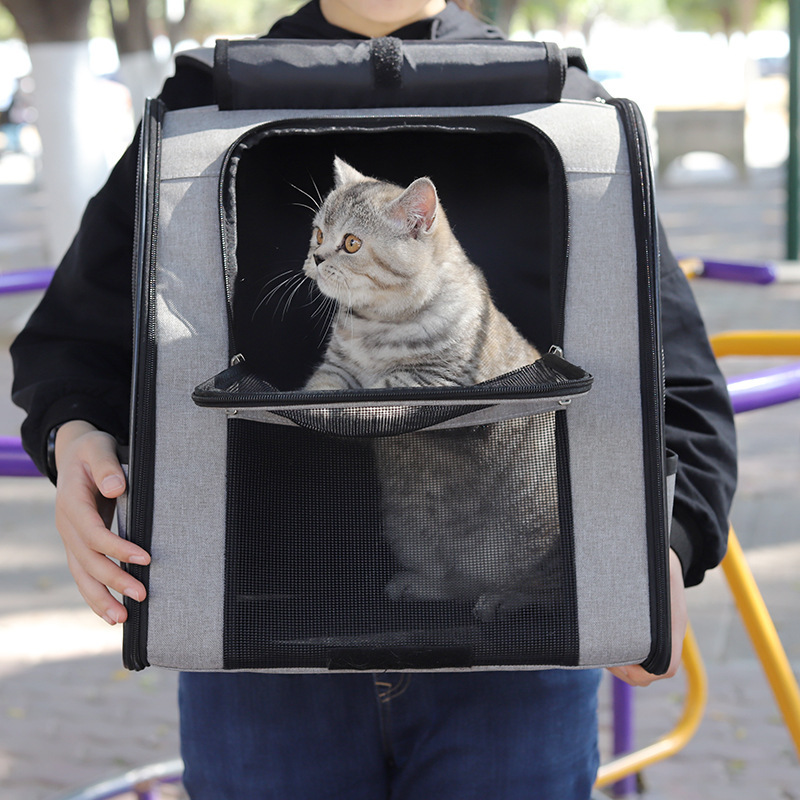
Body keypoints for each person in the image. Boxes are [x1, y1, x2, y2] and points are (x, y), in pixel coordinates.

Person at [11, 0, 737, 797]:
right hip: (252, 644)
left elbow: (680, 384)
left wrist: (667, 541)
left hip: (521, 643)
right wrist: (75, 440)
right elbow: (69, 344)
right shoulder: (200, 106)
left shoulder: (570, 109)